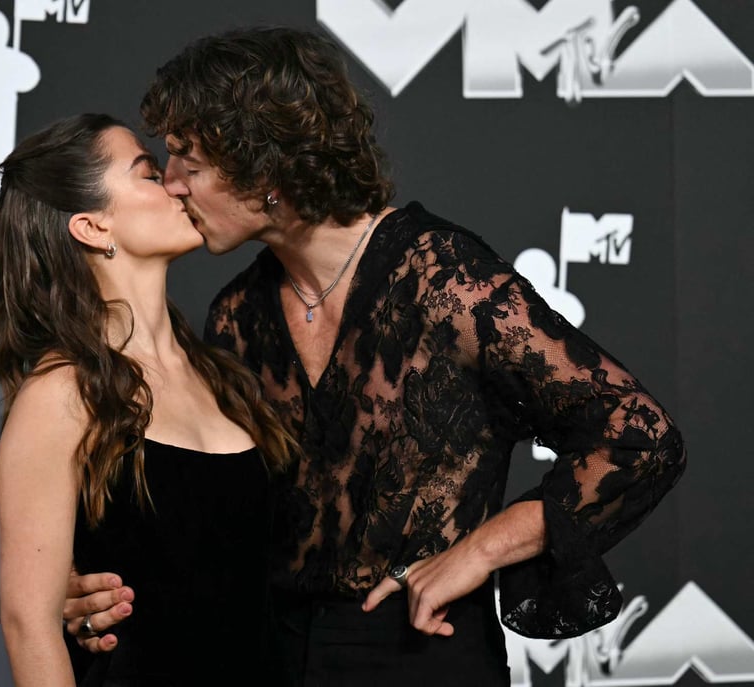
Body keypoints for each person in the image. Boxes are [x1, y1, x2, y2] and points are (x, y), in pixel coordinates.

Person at [62, 28, 687, 685]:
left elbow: (642, 439)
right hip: (269, 659)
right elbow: (212, 522)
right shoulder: (238, 315)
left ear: (262, 166)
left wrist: (479, 551)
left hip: (422, 654)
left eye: (188, 158)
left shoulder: (441, 279)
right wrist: (89, 590)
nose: (173, 183)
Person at [0, 113, 298, 686]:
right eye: (150, 175)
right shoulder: (62, 394)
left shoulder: (222, 370)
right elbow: (27, 625)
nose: (179, 185)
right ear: (92, 227)